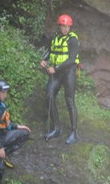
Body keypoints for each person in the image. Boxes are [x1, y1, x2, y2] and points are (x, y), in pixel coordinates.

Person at [41, 13, 80, 145]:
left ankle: (74, 132)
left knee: (69, 100)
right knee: (49, 95)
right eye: (63, 26)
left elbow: (71, 59)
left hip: (68, 72)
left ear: (70, 27)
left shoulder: (73, 40)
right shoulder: (55, 38)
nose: (65, 29)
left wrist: (56, 68)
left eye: (67, 26)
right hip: (57, 73)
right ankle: (57, 128)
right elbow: (49, 51)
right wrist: (44, 59)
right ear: (59, 26)